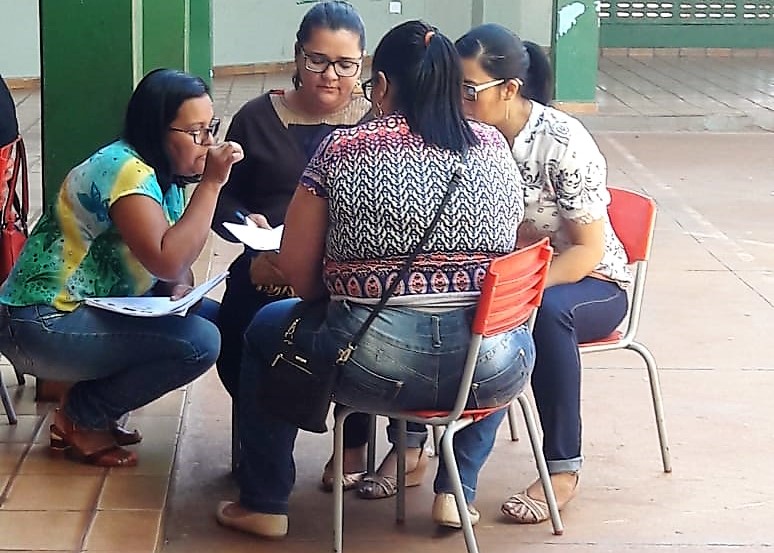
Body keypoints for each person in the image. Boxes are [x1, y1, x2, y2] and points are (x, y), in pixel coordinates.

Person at [216, 20, 533, 539]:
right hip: (486, 372)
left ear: (381, 86)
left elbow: (298, 275)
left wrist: (342, 286)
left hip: (370, 369)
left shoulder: (344, 150)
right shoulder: (493, 146)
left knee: (263, 328)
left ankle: (265, 501)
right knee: (500, 331)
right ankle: (457, 494)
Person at [211, 0, 421, 491]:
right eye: (317, 61)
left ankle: (352, 446)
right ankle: (265, 450)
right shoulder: (256, 117)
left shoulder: (376, 122)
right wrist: (245, 219)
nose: (330, 75)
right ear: (297, 56)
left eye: (346, 65)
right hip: (267, 264)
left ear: (364, 66)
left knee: (363, 329)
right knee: (242, 337)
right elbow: (223, 196)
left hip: (347, 273)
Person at [0, 68, 243, 467]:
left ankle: (91, 413)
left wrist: (179, 286)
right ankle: (81, 417)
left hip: (76, 312)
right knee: (199, 342)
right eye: (196, 131)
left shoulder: (163, 175)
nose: (209, 143)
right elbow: (167, 256)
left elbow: (173, 266)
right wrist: (213, 184)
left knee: (215, 319)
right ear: (157, 130)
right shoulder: (125, 171)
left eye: (211, 127)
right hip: (37, 322)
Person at [455, 24, 632, 524]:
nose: (460, 103)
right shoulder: (467, 135)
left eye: (470, 91)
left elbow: (587, 250)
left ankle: (562, 468)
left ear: (509, 89)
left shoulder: (561, 140)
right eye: (454, 90)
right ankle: (417, 446)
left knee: (548, 315)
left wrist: (522, 289)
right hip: (503, 277)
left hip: (590, 283)